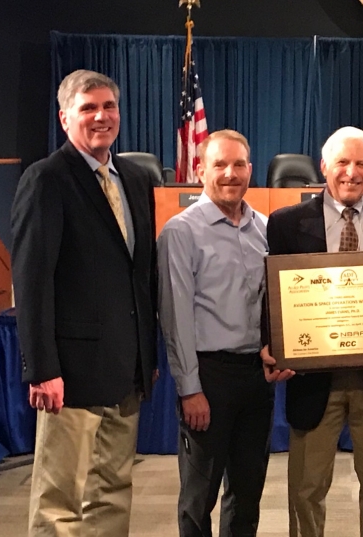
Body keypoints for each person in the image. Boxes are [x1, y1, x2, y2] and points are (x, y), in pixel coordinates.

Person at [11, 69, 158, 537]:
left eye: (109, 106)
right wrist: (41, 368)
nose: (101, 116)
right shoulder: (46, 180)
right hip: (70, 376)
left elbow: (140, 275)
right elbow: (32, 282)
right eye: (88, 108)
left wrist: (146, 352)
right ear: (64, 118)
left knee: (113, 491)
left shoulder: (134, 179)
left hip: (124, 370)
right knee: (60, 503)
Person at [261, 126, 363, 537]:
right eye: (342, 162)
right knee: (305, 490)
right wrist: (273, 344)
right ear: (323, 167)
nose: (351, 172)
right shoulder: (285, 223)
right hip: (312, 378)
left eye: (362, 164)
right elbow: (273, 295)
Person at [157, 129, 275, 536]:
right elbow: (175, 317)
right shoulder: (181, 232)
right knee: (198, 498)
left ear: (250, 170)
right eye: (220, 165)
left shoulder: (266, 228)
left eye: (239, 164)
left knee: (247, 494)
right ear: (200, 169)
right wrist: (190, 389)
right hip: (208, 378)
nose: (230, 173)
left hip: (257, 377)